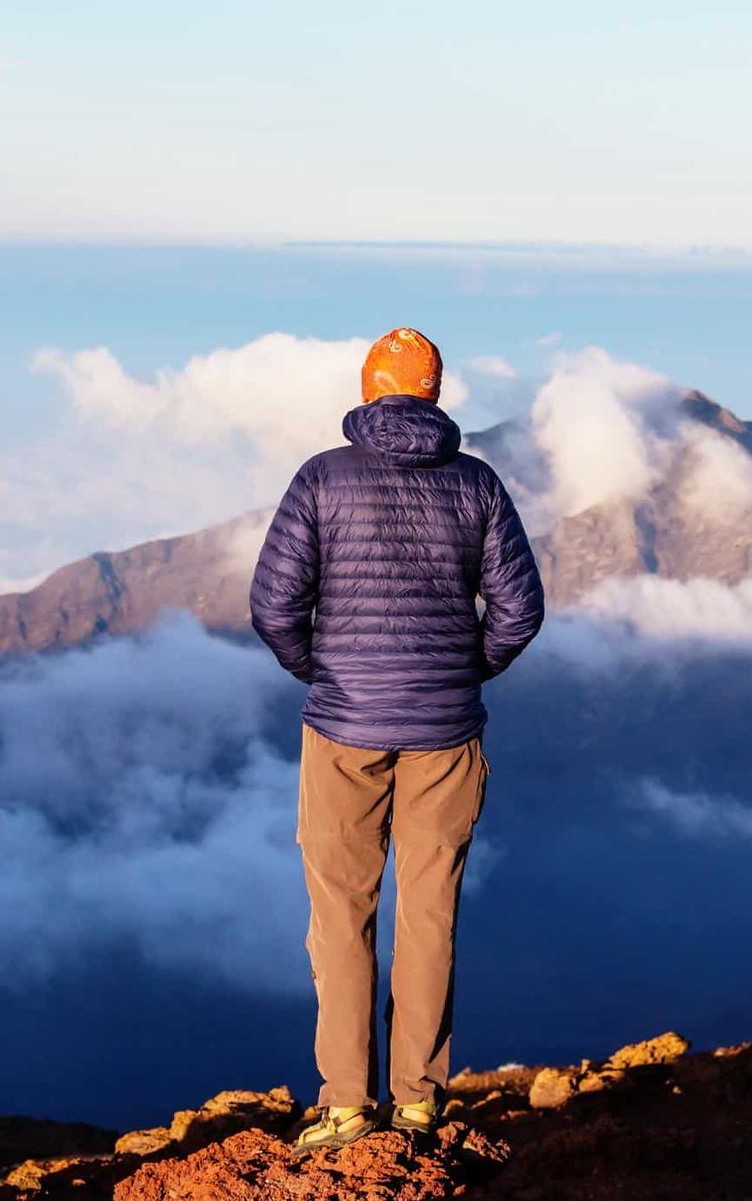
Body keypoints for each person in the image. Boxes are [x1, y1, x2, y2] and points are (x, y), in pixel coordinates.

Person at [249, 327, 544, 1155]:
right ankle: (417, 1103)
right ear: (438, 393)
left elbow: (274, 606)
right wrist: (459, 671)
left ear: (367, 386)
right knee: (429, 915)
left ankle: (346, 1105)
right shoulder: (476, 484)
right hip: (446, 735)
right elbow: (520, 609)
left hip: (342, 731)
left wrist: (328, 673)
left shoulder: (321, 478)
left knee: (340, 917)